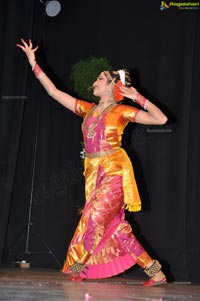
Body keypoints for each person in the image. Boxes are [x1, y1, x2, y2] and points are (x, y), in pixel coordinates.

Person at [17, 38, 168, 286]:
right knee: (117, 227)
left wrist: (137, 96)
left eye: (99, 78)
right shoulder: (87, 109)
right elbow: (54, 92)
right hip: (93, 173)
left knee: (91, 218)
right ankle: (155, 271)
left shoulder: (121, 112)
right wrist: (34, 63)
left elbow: (160, 119)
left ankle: (76, 266)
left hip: (115, 171)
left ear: (112, 86)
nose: (93, 82)